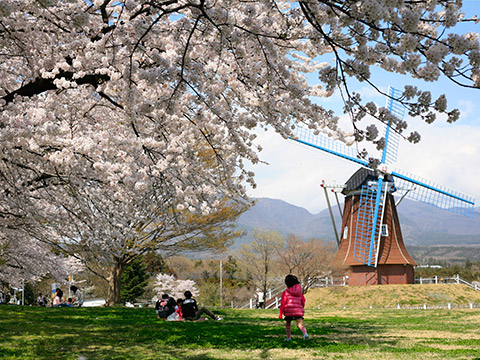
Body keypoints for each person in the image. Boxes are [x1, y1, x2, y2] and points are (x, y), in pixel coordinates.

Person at [279, 274, 309, 341]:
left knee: (288, 324)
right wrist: (302, 307)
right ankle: (305, 333)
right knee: (300, 324)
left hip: (289, 310)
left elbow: (283, 303)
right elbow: (303, 300)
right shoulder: (299, 292)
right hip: (298, 310)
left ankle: (289, 337)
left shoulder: (286, 292)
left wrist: (281, 313)